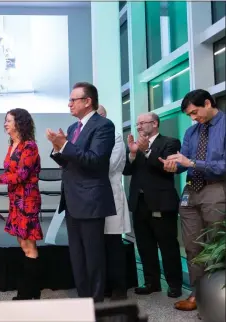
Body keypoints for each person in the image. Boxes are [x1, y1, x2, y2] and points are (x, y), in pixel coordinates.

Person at [46, 82, 116, 303]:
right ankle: (82, 299)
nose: (69, 104)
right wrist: (58, 149)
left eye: (73, 100)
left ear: (88, 101)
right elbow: (70, 161)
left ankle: (95, 303)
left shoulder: (103, 125)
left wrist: (65, 146)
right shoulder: (73, 128)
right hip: (72, 197)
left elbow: (94, 161)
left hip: (91, 199)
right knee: (77, 254)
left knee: (93, 255)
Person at [159, 89, 225, 311]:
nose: (193, 118)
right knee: (192, 246)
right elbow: (183, 162)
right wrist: (172, 165)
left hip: (216, 190)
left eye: (195, 112)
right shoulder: (191, 132)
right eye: (189, 115)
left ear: (208, 103)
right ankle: (197, 294)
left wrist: (194, 164)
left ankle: (217, 298)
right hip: (190, 193)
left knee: (215, 247)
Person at [0, 108, 43, 300]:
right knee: (23, 243)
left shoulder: (29, 146)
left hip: (27, 201)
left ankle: (29, 293)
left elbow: (21, 175)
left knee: (29, 246)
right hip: (16, 200)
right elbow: (11, 174)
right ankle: (31, 291)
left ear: (20, 123)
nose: (5, 124)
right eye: (5, 120)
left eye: (9, 120)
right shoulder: (12, 144)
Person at [123, 112, 183, 298]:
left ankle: (174, 285)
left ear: (155, 123)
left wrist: (148, 150)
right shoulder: (136, 146)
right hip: (139, 203)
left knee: (168, 246)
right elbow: (126, 170)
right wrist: (133, 153)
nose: (139, 127)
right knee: (145, 245)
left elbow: (167, 168)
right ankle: (151, 282)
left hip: (161, 203)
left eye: (143, 123)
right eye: (137, 124)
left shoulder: (170, 142)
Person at [97, 105, 132, 300]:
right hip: (90, 197)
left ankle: (119, 288)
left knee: (113, 244)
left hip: (110, 193)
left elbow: (108, 165)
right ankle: (103, 286)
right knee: (97, 245)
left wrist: (85, 162)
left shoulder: (115, 137)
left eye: (100, 115)